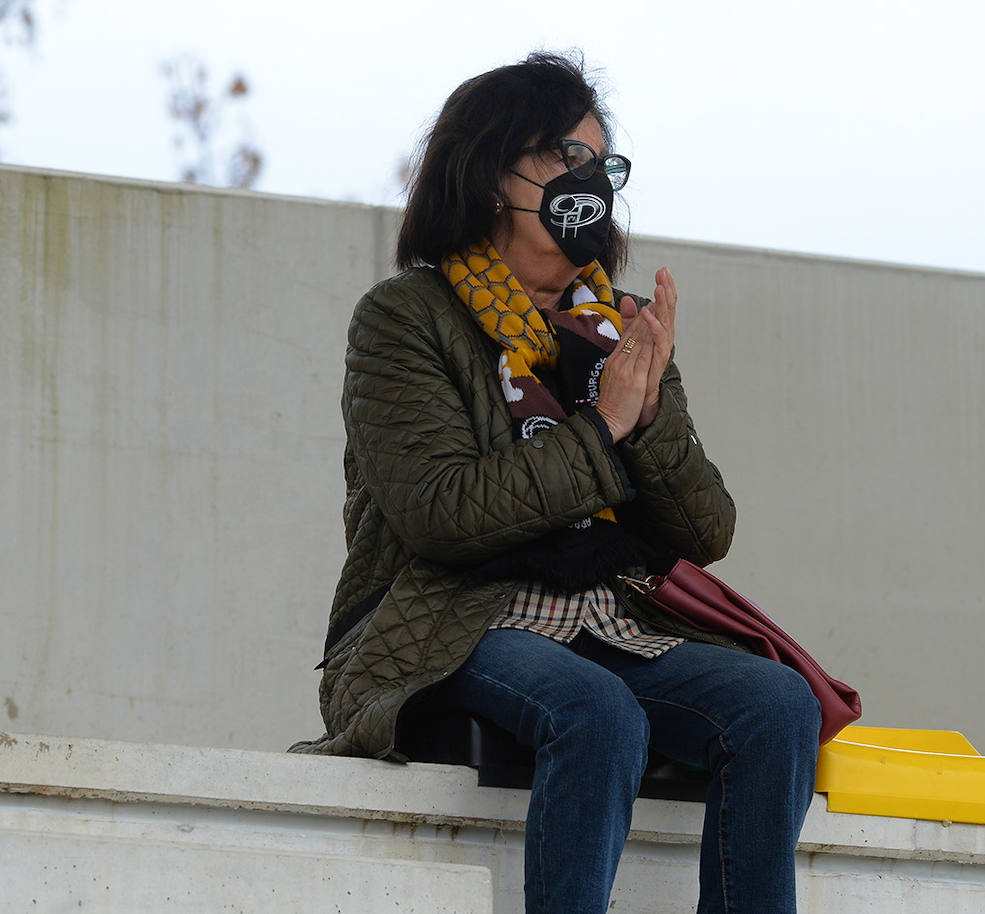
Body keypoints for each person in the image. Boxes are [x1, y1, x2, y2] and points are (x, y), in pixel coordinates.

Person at [290, 52, 821, 913]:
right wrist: (603, 426)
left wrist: (645, 415)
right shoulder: (404, 319)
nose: (593, 184)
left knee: (776, 704)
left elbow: (705, 530)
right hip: (446, 622)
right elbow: (442, 513)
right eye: (568, 159)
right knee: (598, 711)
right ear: (494, 170)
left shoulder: (618, 322)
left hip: (608, 618)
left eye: (603, 166)